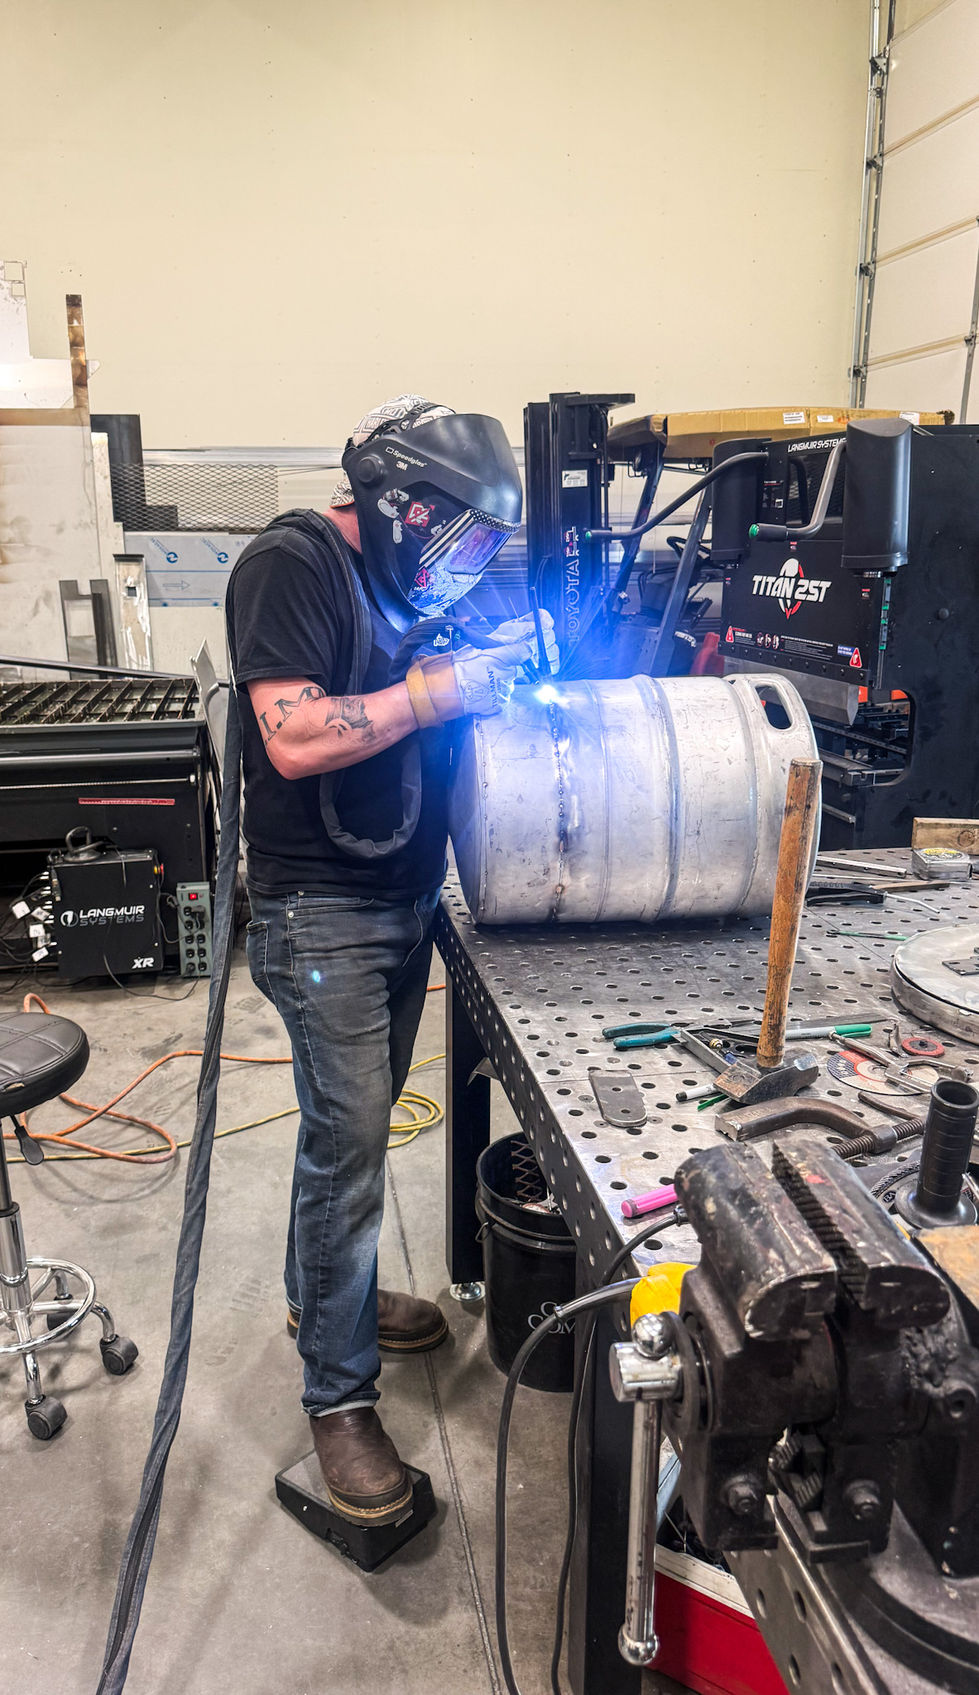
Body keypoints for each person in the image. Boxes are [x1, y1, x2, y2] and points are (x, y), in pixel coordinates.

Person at [225, 395, 556, 1527]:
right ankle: (338, 1396)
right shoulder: (292, 567)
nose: (462, 566)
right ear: (399, 502)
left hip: (403, 898)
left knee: (352, 1140)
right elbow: (293, 733)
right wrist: (434, 692)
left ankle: (335, 1304)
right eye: (456, 539)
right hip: (318, 910)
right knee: (349, 1146)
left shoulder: (410, 588)